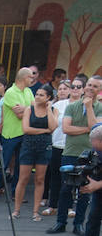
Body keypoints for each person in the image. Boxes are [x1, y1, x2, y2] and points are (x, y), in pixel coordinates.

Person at [54, 75, 102, 236]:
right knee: (65, 188)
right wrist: (87, 129)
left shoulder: (99, 108)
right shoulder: (72, 106)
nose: (90, 88)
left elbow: (95, 128)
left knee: (84, 190)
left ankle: (78, 223)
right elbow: (66, 128)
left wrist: (89, 109)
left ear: (99, 90)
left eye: (94, 86)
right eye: (89, 84)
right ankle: (60, 222)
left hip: (90, 153)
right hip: (70, 151)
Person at [14, 83, 55, 220]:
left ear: (48, 97)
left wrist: (49, 110)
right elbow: (26, 129)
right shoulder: (29, 109)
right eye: (37, 94)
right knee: (23, 178)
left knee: (39, 179)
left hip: (44, 147)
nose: (37, 97)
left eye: (41, 95)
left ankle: (35, 211)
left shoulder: (53, 109)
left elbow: (53, 126)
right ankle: (16, 210)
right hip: (28, 145)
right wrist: (44, 131)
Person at [66, 123, 102, 236]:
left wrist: (97, 185)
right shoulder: (95, 152)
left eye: (95, 145)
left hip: (99, 186)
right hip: (99, 191)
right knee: (92, 220)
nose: (93, 147)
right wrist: (84, 180)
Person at [0, 67, 35, 193]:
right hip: (10, 134)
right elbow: (20, 115)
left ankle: (16, 191)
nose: (33, 79)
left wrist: (25, 108)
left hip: (24, 133)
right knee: (4, 163)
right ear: (24, 78)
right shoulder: (11, 92)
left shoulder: (29, 91)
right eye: (31, 76)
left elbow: (34, 110)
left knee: (21, 165)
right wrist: (29, 108)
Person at [43, 78, 71, 214]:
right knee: (54, 175)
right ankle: (52, 204)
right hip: (56, 143)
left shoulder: (74, 105)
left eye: (65, 88)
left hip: (70, 145)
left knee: (70, 177)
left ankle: (69, 207)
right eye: (60, 89)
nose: (62, 91)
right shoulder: (56, 105)